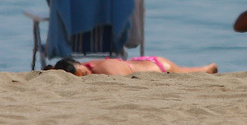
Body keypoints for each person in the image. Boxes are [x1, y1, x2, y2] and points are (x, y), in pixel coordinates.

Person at [47, 55, 218, 76]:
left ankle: (206, 69)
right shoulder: (91, 65)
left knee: (181, 72)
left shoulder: (99, 69)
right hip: (145, 61)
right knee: (183, 70)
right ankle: (205, 68)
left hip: (157, 67)